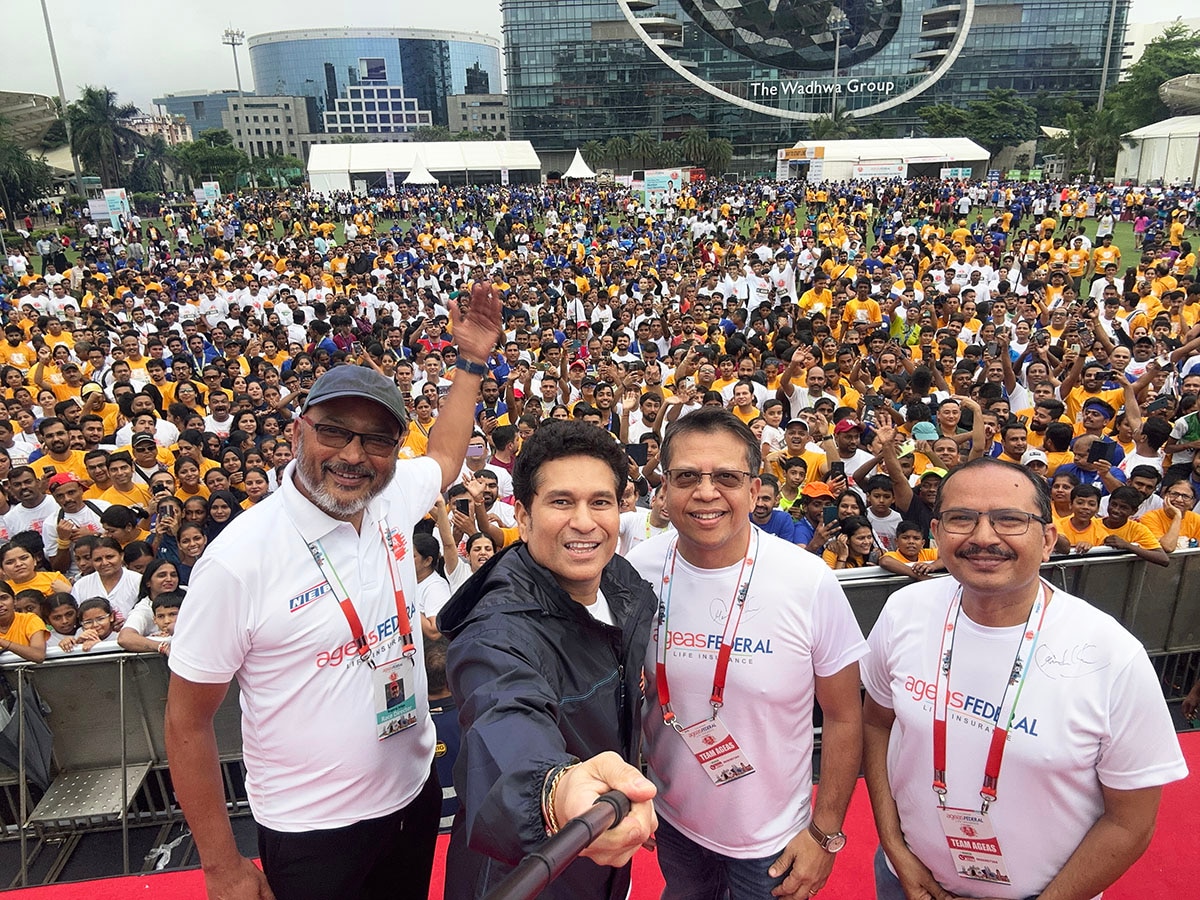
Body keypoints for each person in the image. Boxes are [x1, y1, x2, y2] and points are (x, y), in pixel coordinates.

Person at [165, 283, 502, 900]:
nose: (354, 455)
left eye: (376, 440)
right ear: (299, 431)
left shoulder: (392, 500)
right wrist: (220, 865)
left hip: (412, 794)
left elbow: (448, 452)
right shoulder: (238, 560)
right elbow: (187, 724)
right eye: (335, 432)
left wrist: (471, 362)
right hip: (312, 829)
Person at [861, 457, 1188, 900]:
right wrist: (894, 846)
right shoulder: (904, 612)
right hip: (906, 882)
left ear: (1048, 538)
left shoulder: (1113, 655)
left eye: (1009, 520)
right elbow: (877, 723)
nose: (982, 537)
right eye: (961, 518)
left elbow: (1130, 821)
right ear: (936, 533)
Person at [627, 408, 868, 899]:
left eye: (728, 477)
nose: (706, 491)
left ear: (755, 490)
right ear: (665, 490)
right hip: (673, 821)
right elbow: (628, 692)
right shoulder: (637, 570)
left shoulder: (808, 579)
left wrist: (825, 834)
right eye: (687, 476)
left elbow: (845, 715)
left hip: (774, 841)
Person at [438, 420, 659, 899]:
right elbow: (504, 716)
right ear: (523, 514)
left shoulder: (622, 581)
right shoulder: (495, 631)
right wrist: (557, 792)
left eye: (600, 502)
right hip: (528, 867)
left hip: (605, 856)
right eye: (562, 502)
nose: (584, 522)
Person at [0, 580, 48, 662]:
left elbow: (38, 655)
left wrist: (2, 642)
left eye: (4, 598)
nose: (0, 604)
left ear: (14, 600)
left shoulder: (30, 619)